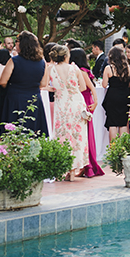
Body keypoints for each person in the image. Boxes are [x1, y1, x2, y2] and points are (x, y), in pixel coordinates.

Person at [49, 45, 89, 181]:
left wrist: (58, 89)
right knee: (76, 135)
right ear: (66, 56)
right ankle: (72, 171)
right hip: (76, 102)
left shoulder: (51, 69)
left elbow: (44, 84)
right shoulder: (74, 68)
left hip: (61, 104)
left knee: (62, 135)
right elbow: (83, 87)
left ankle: (63, 169)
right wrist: (71, 88)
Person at [0, 31, 49, 136]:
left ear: (22, 44)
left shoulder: (14, 61)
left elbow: (2, 82)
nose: (15, 44)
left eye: (17, 41)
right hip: (34, 98)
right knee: (33, 132)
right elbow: (43, 83)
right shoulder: (42, 62)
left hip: (15, 98)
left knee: (13, 132)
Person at [69, 48, 104, 177]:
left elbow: (91, 87)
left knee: (85, 133)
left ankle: (88, 165)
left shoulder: (82, 72)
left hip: (84, 102)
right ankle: (85, 165)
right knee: (84, 133)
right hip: (83, 100)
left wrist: (95, 102)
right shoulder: (79, 71)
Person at [102, 46, 130, 141]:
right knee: (123, 123)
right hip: (125, 97)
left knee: (113, 124)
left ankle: (114, 149)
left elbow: (104, 84)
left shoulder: (109, 68)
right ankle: (123, 148)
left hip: (112, 97)